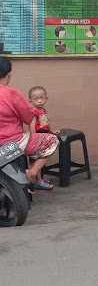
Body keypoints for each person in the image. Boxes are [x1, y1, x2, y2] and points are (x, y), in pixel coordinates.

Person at [0, 58, 58, 190]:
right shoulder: (12, 94)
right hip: (13, 144)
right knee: (52, 140)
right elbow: (28, 118)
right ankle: (32, 172)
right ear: (8, 75)